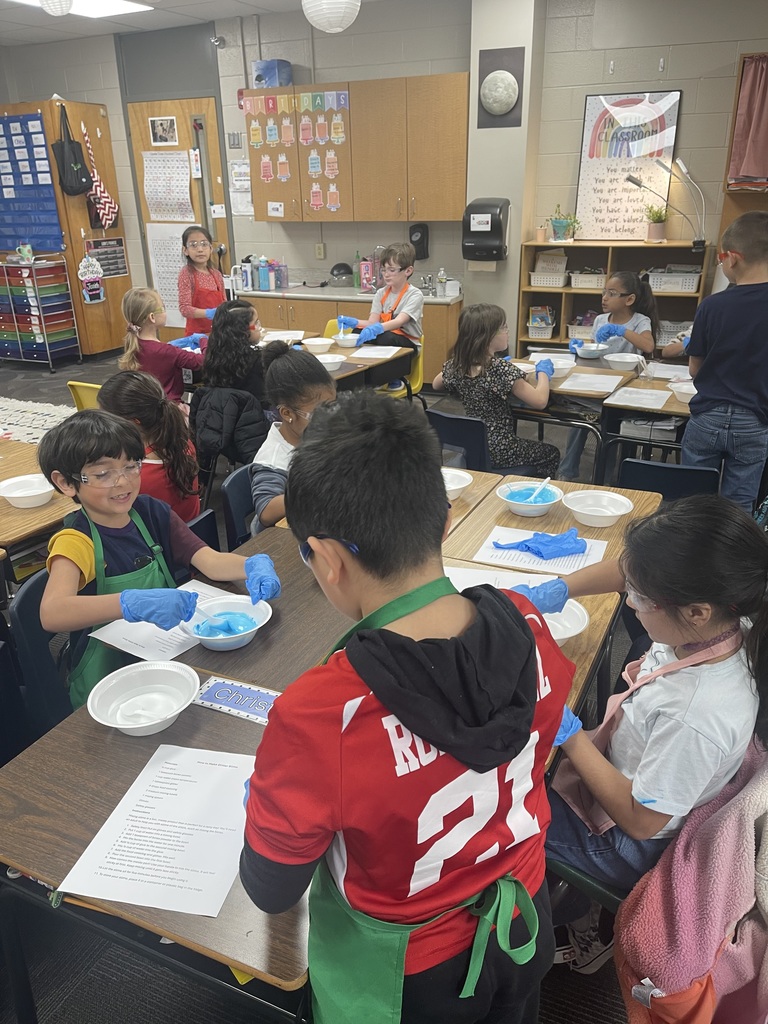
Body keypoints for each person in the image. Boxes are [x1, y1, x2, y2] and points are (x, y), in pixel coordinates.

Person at [239, 391, 574, 1024]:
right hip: (524, 919)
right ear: (445, 520)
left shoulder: (322, 712)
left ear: (329, 559)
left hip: (408, 979)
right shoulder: (529, 627)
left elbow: (271, 887)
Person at [522, 495, 766, 975]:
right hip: (634, 771)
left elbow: (640, 821)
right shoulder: (717, 614)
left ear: (695, 611)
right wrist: (554, 589)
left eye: (637, 596)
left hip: (628, 839)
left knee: (507, 813)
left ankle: (575, 919)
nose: (628, 599)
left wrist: (568, 734)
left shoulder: (697, 714)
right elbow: (629, 570)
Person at [36, 409, 281, 710]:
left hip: (165, 662)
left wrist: (250, 565)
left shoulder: (151, 513)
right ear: (66, 483)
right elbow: (53, 613)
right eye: (103, 474)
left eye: (130, 466)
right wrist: (130, 603)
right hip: (109, 683)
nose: (123, 482)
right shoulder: (76, 540)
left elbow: (209, 561)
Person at [682, 210, 768, 511]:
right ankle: (731, 558)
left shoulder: (712, 306)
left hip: (708, 415)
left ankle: (689, 555)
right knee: (740, 505)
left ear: (732, 258)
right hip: (755, 419)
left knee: (693, 499)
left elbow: (695, 368)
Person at [432, 302, 560, 476]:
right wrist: (543, 373)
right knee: (551, 453)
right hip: (501, 450)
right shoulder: (499, 369)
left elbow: (435, 384)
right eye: (504, 327)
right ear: (488, 336)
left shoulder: (456, 366)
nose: (507, 331)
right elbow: (540, 401)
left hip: (473, 446)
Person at [559, 272, 658, 480]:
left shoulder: (640, 321)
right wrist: (580, 348)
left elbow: (648, 345)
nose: (604, 297)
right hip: (599, 380)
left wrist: (621, 331)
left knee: (609, 427)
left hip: (625, 386)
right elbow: (596, 350)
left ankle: (606, 477)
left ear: (629, 299)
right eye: (604, 292)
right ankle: (567, 472)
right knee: (580, 420)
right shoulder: (600, 320)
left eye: (612, 293)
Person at [249, 342, 336, 533]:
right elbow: (265, 509)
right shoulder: (274, 459)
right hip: (282, 545)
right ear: (287, 413)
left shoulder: (313, 434)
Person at [98, 370, 201, 522]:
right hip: (190, 536)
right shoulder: (183, 443)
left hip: (160, 542)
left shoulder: (135, 476)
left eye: (105, 419)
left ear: (133, 423)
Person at [119, 287, 206, 404]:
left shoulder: (134, 344)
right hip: (170, 409)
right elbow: (203, 361)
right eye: (163, 308)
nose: (165, 311)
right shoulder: (167, 351)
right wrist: (204, 340)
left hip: (146, 409)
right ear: (152, 317)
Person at [336, 241, 424, 354]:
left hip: (408, 344)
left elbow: (399, 321)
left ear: (408, 271)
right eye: (383, 269)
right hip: (386, 337)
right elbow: (372, 322)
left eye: (391, 270)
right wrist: (355, 322)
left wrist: (377, 329)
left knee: (386, 337)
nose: (386, 274)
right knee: (357, 332)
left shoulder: (414, 295)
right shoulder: (381, 293)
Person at [202, 299, 267, 405]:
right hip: (253, 416)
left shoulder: (213, 357)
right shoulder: (257, 361)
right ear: (242, 330)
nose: (259, 327)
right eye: (256, 323)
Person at [177, 225, 227, 337]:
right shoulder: (186, 274)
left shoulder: (216, 275)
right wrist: (209, 313)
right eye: (193, 245)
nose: (200, 249)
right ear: (185, 250)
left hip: (219, 333)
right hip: (196, 336)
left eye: (204, 244)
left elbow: (224, 303)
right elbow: (185, 309)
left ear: (210, 248)